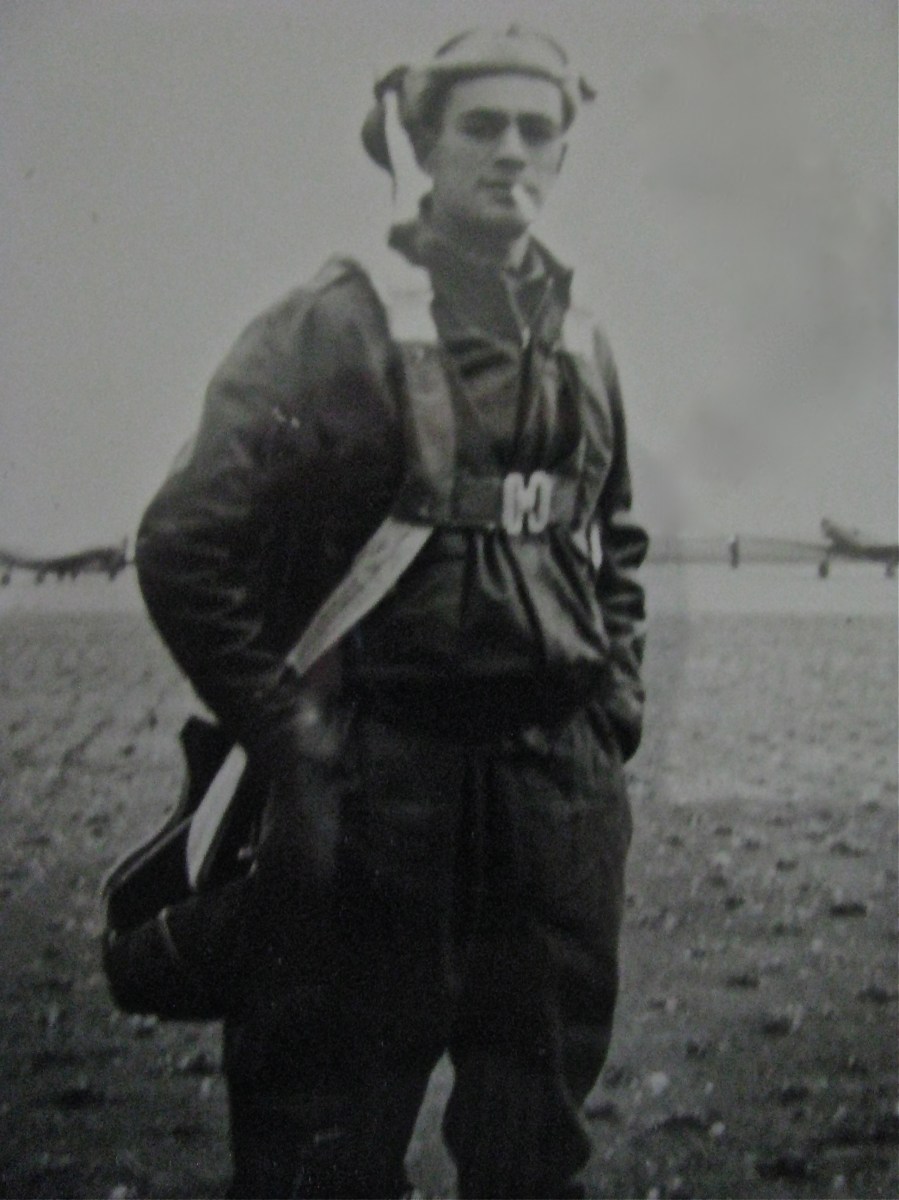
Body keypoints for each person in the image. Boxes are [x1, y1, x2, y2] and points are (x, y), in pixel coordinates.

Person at [135, 25, 648, 1200]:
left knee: (535, 1140)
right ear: (422, 142)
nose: (510, 151)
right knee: (323, 1137)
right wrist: (288, 736)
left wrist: (613, 705)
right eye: (481, 126)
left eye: (536, 131)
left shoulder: (582, 340)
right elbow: (182, 542)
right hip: (379, 784)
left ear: (561, 155)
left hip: (555, 793)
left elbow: (614, 534)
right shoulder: (330, 324)